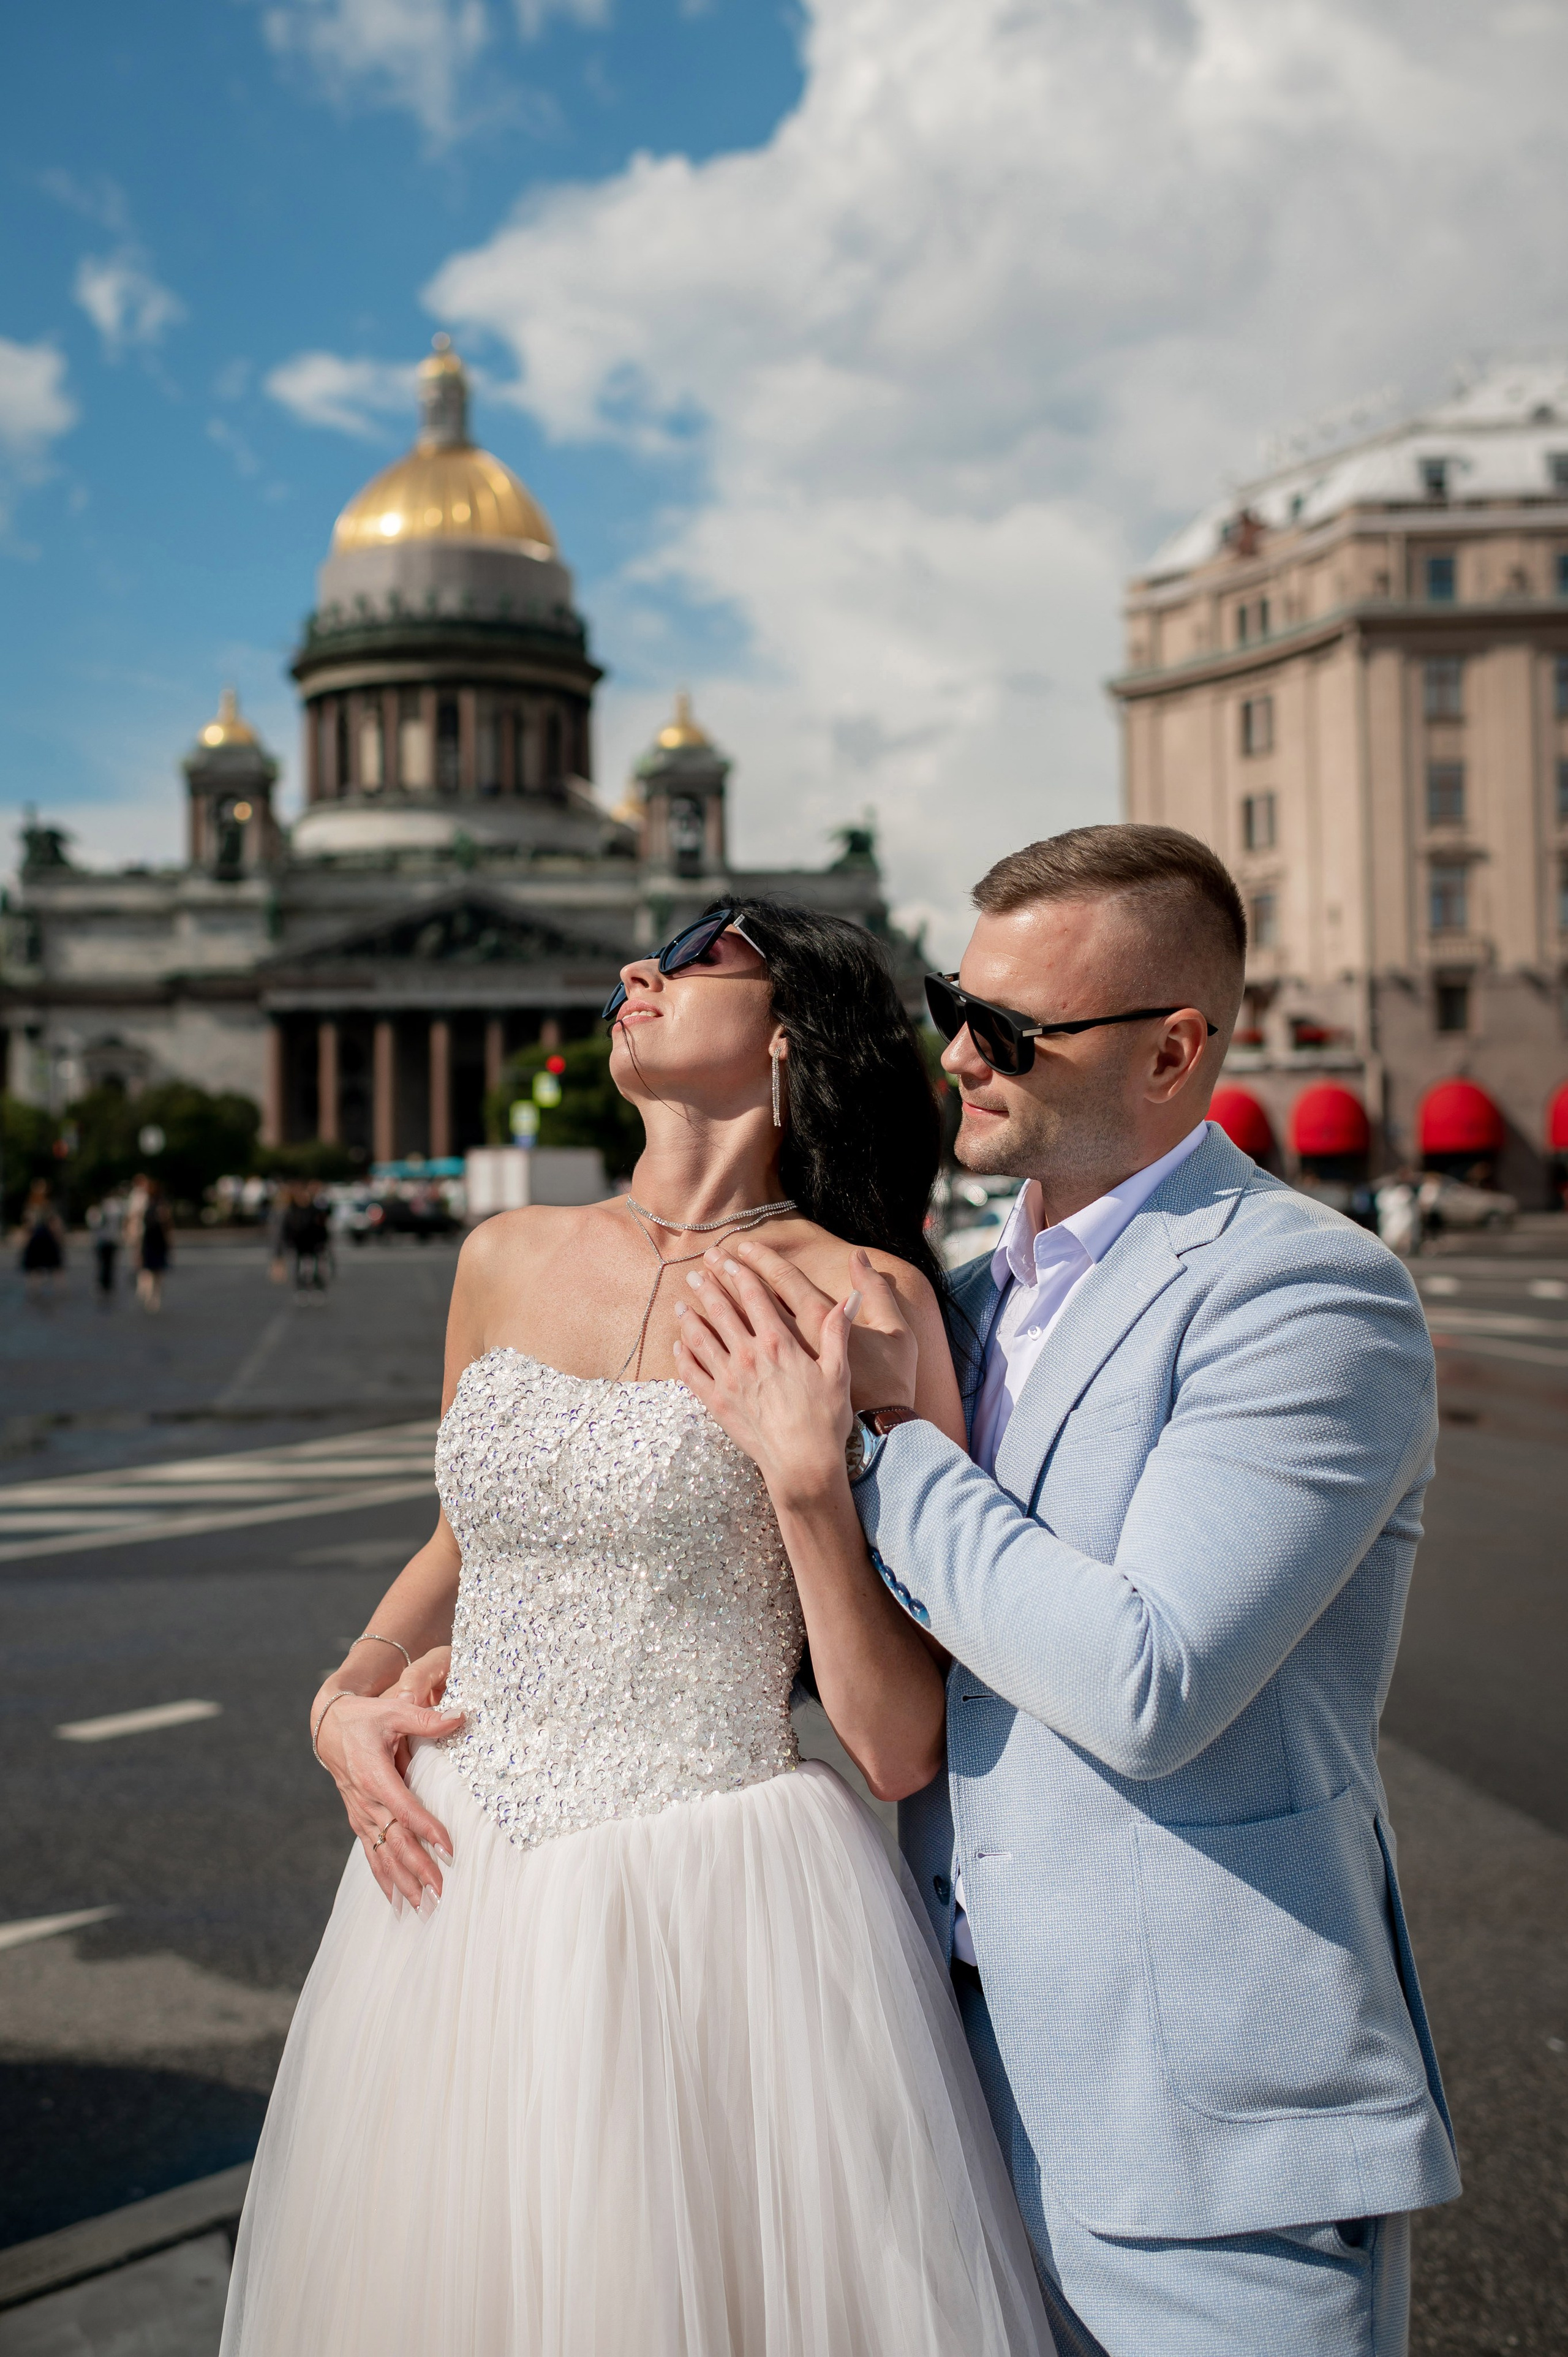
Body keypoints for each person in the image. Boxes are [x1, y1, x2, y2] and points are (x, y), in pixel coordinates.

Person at [222, 902, 1052, 2357]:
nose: (635, 973)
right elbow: (462, 1538)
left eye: (687, 951)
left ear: (789, 1026)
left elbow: (896, 1739)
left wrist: (805, 1481)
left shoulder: (868, 1301)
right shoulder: (501, 1253)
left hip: (719, 1897)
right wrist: (343, 1697)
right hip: (453, 1883)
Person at [684, 826, 1459, 2357]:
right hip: (937, 2078)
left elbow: (1147, 1679)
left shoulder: (1305, 1291)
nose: (958, 1056)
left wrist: (880, 1445)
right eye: (946, 1004)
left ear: (1173, 1051)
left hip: (1196, 2120)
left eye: (1010, 1030)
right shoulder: (948, 1301)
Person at [18, 1178, 66, 1299]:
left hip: (43, 1237)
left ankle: (56, 1289)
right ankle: (35, 1289)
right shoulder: (34, 1205)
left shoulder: (45, 1205)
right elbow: (29, 1223)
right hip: (40, 1237)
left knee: (52, 1265)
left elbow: (53, 1222)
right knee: (37, 1266)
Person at [134, 1177, 170, 1311]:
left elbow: (166, 1225)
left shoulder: (157, 1206)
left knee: (153, 1270)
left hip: (153, 1241)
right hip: (152, 1240)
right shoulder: (150, 1204)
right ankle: (152, 1295)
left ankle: (152, 1295)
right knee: (153, 1270)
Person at [86, 1191, 124, 1303]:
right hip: (103, 1241)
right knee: (104, 1265)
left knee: (108, 1265)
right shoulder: (98, 1211)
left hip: (108, 1241)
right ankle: (104, 1285)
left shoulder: (111, 1210)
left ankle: (107, 1285)